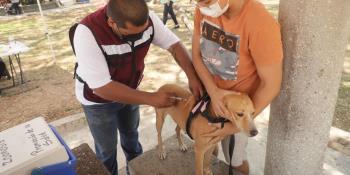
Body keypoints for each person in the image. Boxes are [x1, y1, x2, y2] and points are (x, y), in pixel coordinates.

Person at [68, 0, 202, 174]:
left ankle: (136, 169)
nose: (139, 38)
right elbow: (102, 87)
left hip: (130, 91)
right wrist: (151, 98)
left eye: (143, 32)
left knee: (131, 136)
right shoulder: (87, 33)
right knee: (107, 150)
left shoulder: (148, 20)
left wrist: (192, 77)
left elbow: (175, 46)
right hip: (98, 102)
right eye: (132, 35)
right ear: (112, 23)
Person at [192, 0, 283, 174]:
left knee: (235, 159)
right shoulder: (203, 9)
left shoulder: (260, 23)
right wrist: (213, 91)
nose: (201, 6)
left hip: (239, 112)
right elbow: (196, 55)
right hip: (211, 98)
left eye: (206, 1)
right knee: (210, 147)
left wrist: (233, 127)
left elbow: (271, 85)